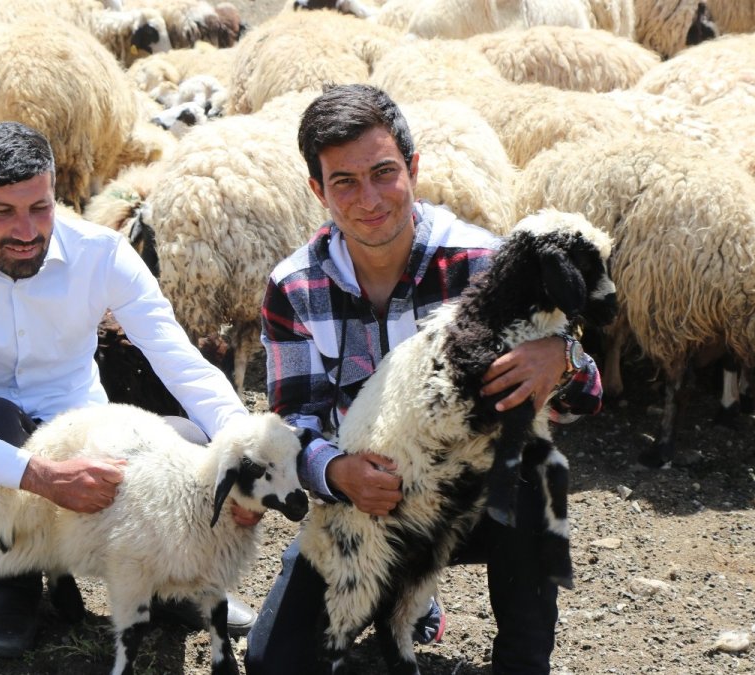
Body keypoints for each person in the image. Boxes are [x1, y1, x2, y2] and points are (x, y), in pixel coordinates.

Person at [244, 84, 604, 674]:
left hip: (475, 502)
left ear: (413, 167)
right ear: (318, 191)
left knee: (535, 475)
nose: (369, 199)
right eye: (345, 182)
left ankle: (521, 663)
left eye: (384, 172)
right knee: (271, 663)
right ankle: (397, 593)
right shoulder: (294, 287)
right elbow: (293, 422)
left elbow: (585, 397)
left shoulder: (483, 263)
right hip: (366, 506)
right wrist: (335, 472)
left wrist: (560, 356)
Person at [0, 121, 259, 660]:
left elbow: (182, 363)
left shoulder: (100, 253)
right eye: (3, 212)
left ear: (58, 192)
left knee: (187, 437)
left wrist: (242, 457)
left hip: (87, 450)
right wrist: (40, 476)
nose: (28, 231)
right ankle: (16, 585)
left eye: (40, 208)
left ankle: (170, 580)